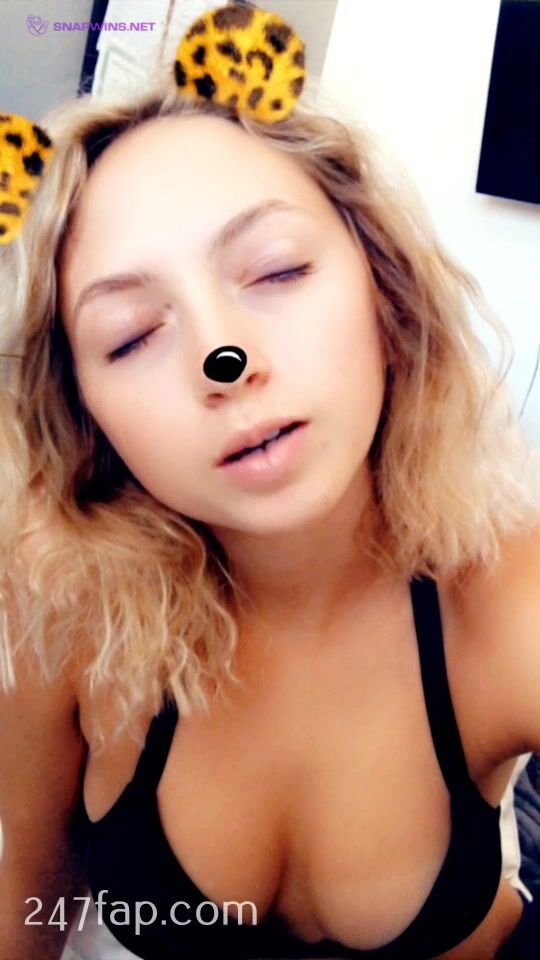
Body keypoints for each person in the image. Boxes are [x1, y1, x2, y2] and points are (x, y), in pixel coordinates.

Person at [0, 4, 539, 959]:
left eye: (278, 271)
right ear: (85, 411)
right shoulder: (68, 605)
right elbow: (29, 904)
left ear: (382, 285)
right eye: (132, 334)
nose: (223, 358)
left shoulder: (506, 587)